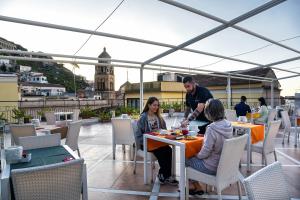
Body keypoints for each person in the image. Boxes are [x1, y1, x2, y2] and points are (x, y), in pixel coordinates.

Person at [186, 99, 233, 194]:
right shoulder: (229, 125)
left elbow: (205, 152)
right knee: (193, 155)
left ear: (208, 112)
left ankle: (193, 185)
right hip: (225, 166)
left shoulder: (212, 128)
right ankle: (195, 185)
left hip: (211, 167)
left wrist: (196, 155)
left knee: (186, 156)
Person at [135, 97, 178, 185]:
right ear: (149, 105)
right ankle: (164, 175)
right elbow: (139, 134)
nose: (156, 107)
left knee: (169, 150)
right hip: (147, 143)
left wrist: (166, 133)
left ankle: (165, 175)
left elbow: (164, 129)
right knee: (162, 151)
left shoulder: (158, 117)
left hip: (158, 142)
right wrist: (145, 141)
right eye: (154, 105)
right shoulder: (143, 117)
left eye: (157, 105)